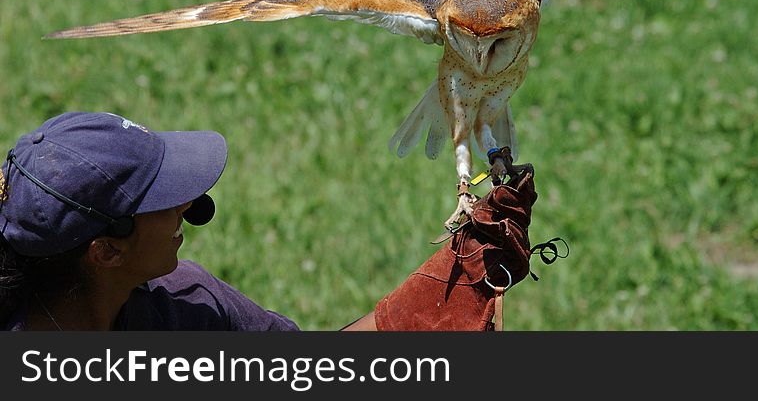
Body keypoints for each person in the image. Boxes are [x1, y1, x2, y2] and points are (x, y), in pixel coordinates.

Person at [0, 111, 537, 331]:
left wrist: (450, 286)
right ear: (105, 251)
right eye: (165, 197)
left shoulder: (189, 306)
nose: (191, 204)